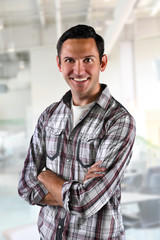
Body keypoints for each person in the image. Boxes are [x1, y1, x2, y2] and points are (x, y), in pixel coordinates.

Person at [18, 24, 136, 240]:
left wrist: (45, 176)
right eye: (70, 60)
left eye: (88, 60)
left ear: (102, 62)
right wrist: (77, 190)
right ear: (59, 64)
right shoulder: (49, 116)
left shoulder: (118, 121)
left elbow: (86, 201)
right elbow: (25, 186)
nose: (79, 70)